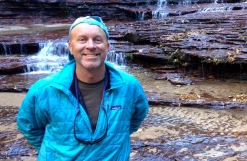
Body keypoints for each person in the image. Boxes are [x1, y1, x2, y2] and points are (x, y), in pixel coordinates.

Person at [17, 16, 149, 160]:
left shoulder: (129, 86)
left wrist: (115, 140)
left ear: (107, 46)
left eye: (97, 39)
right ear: (70, 47)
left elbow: (136, 117)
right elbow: (28, 125)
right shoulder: (44, 89)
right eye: (82, 39)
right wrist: (56, 150)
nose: (91, 46)